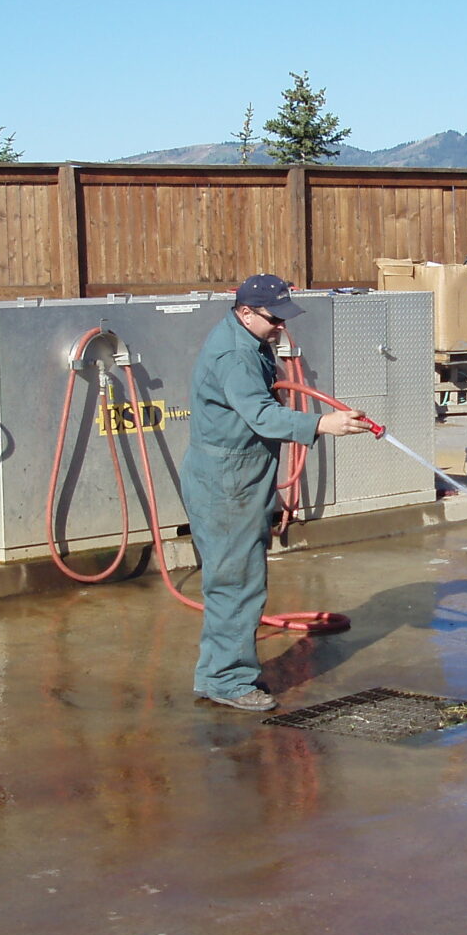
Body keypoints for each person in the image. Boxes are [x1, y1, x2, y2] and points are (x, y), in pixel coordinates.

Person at [182, 274, 373, 712]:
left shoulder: (248, 339)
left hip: (234, 476)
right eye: (274, 319)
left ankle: (219, 673)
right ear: (245, 312)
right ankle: (227, 681)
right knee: (236, 583)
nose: (281, 326)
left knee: (236, 579)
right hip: (227, 483)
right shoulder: (235, 354)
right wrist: (322, 423)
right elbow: (262, 416)